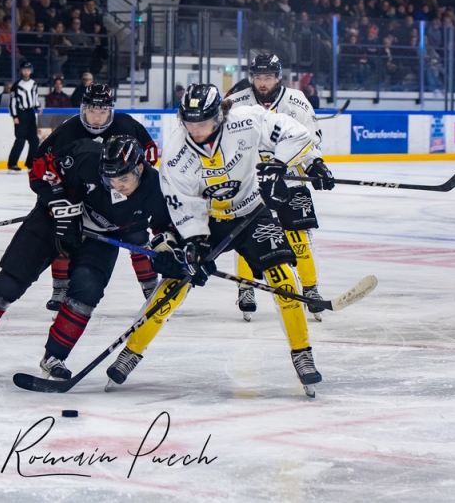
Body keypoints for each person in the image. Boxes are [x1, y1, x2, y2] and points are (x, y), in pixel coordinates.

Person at [110, 83, 327, 398]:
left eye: (203, 122)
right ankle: (132, 350)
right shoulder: (175, 152)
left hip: (253, 213)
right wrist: (194, 245)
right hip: (208, 220)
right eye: (189, 122)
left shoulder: (247, 119)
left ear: (219, 115)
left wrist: (277, 166)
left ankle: (302, 352)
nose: (195, 130)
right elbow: (182, 205)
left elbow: (298, 134)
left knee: (284, 279)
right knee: (174, 283)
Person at [0, 136, 171, 381]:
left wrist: (167, 251)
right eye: (111, 179)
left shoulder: (156, 188)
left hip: (103, 237)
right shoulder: (86, 156)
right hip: (54, 220)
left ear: (139, 168)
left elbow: (164, 226)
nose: (117, 185)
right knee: (11, 280)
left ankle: (55, 357)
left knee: (86, 293)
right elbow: (42, 169)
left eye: (123, 179)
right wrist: (60, 206)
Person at [224, 54, 334, 321]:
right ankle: (246, 287)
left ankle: (310, 289)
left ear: (278, 77)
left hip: (290, 176)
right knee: (249, 234)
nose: (263, 83)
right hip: (251, 181)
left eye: (268, 77)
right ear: (252, 77)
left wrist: (316, 165)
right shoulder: (237, 102)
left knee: (299, 238)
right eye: (258, 77)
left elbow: (309, 141)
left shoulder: (297, 101)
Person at [36, 83, 159, 312]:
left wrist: (135, 182)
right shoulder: (70, 129)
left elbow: (150, 149)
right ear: (84, 108)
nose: (96, 117)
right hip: (84, 199)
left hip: (121, 195)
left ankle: (152, 289)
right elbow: (42, 161)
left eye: (102, 111)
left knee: (137, 236)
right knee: (64, 232)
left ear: (110, 110)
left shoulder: (126, 124)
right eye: (92, 110)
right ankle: (61, 288)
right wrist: (58, 196)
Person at [7, 60, 42, 172]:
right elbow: (12, 102)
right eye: (24, 70)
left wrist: (38, 106)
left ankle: (30, 164)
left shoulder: (34, 84)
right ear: (21, 71)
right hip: (21, 114)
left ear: (30, 71)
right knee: (20, 139)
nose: (26, 72)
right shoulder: (16, 85)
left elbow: (35, 97)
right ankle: (12, 164)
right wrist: (14, 116)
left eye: (28, 70)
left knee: (34, 140)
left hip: (31, 113)